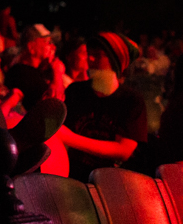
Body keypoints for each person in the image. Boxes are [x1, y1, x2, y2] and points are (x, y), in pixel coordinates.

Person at [58, 31, 146, 182]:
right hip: (74, 179)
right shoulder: (76, 91)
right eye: (89, 53)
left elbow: (124, 150)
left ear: (115, 61)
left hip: (113, 183)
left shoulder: (132, 100)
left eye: (98, 55)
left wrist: (71, 139)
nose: (90, 59)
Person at [8, 24, 66, 102]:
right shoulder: (22, 73)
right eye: (48, 42)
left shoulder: (33, 72)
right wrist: (57, 73)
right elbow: (55, 105)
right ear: (31, 47)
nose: (53, 47)